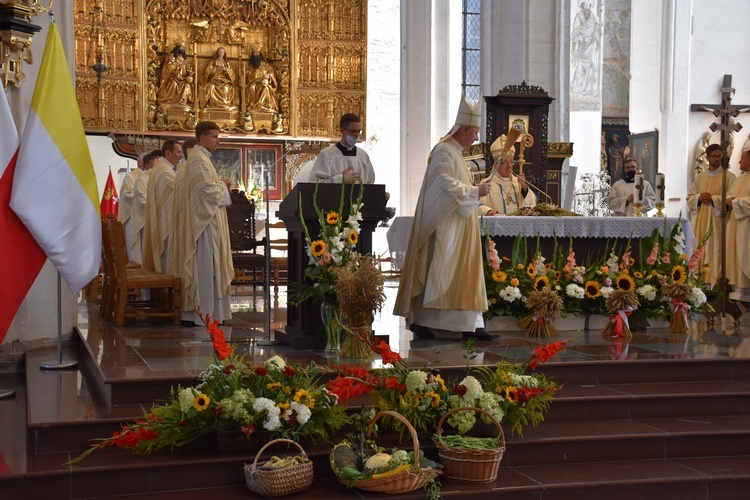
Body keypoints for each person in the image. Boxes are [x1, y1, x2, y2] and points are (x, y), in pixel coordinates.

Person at [393, 95, 496, 341]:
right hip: (446, 228)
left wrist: (473, 187)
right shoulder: (444, 151)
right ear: (463, 129)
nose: (476, 138)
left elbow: (453, 183)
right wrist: (473, 191)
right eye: (474, 132)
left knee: (461, 273)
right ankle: (428, 322)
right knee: (443, 273)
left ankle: (470, 325)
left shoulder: (456, 153)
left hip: (460, 225)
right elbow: (441, 184)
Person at [173, 121, 234, 325]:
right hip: (205, 223)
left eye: (218, 136)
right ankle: (206, 312)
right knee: (207, 267)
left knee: (211, 267)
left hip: (208, 220)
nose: (218, 140)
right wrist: (223, 187)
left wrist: (219, 185)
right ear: (202, 138)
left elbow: (207, 187)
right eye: (214, 136)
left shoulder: (201, 158)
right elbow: (205, 191)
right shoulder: (198, 159)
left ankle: (210, 312)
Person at [686, 144, 736, 284]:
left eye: (720, 156)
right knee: (700, 248)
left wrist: (713, 199)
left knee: (716, 250)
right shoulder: (700, 177)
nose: (717, 159)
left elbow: (732, 197)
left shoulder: (729, 177)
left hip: (718, 220)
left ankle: (715, 283)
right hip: (701, 219)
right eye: (714, 156)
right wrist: (699, 198)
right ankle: (698, 282)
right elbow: (690, 196)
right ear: (707, 157)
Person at [143, 140, 182, 274]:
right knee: (167, 261)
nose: (181, 155)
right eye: (178, 152)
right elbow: (178, 193)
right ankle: (168, 289)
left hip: (162, 220)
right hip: (166, 223)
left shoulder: (161, 169)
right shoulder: (165, 172)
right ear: (167, 153)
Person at [308, 113, 376, 184]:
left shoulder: (363, 155)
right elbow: (314, 184)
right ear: (342, 130)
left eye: (359, 131)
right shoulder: (327, 154)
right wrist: (340, 179)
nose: (357, 135)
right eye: (353, 131)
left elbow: (370, 183)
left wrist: (380, 194)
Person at [479, 135, 536, 215]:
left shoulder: (518, 182)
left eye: (511, 162)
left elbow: (531, 204)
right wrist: (487, 211)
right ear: (496, 165)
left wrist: (524, 187)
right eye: (505, 162)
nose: (509, 166)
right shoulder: (487, 184)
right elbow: (478, 205)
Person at [725, 148, 750, 299]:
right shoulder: (740, 179)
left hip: (747, 225)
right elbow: (730, 194)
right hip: (736, 223)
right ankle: (738, 289)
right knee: (736, 251)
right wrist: (728, 200)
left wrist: (736, 202)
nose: (739, 161)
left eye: (742, 158)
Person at [128, 151, 159, 265]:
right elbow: (142, 200)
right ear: (152, 163)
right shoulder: (142, 179)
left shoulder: (156, 177)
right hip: (146, 223)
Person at [119, 153, 147, 261]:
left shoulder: (150, 175)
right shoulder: (130, 176)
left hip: (147, 217)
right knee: (137, 249)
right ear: (139, 163)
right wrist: (145, 200)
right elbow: (127, 194)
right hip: (133, 216)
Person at [245, 45, 278, 112]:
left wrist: (269, 75)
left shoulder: (265, 64)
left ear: (260, 54)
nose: (255, 54)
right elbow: (246, 75)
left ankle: (261, 105)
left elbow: (271, 71)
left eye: (257, 53)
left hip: (263, 82)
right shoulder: (250, 65)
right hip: (254, 82)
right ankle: (252, 105)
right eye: (254, 53)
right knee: (252, 87)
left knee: (266, 88)